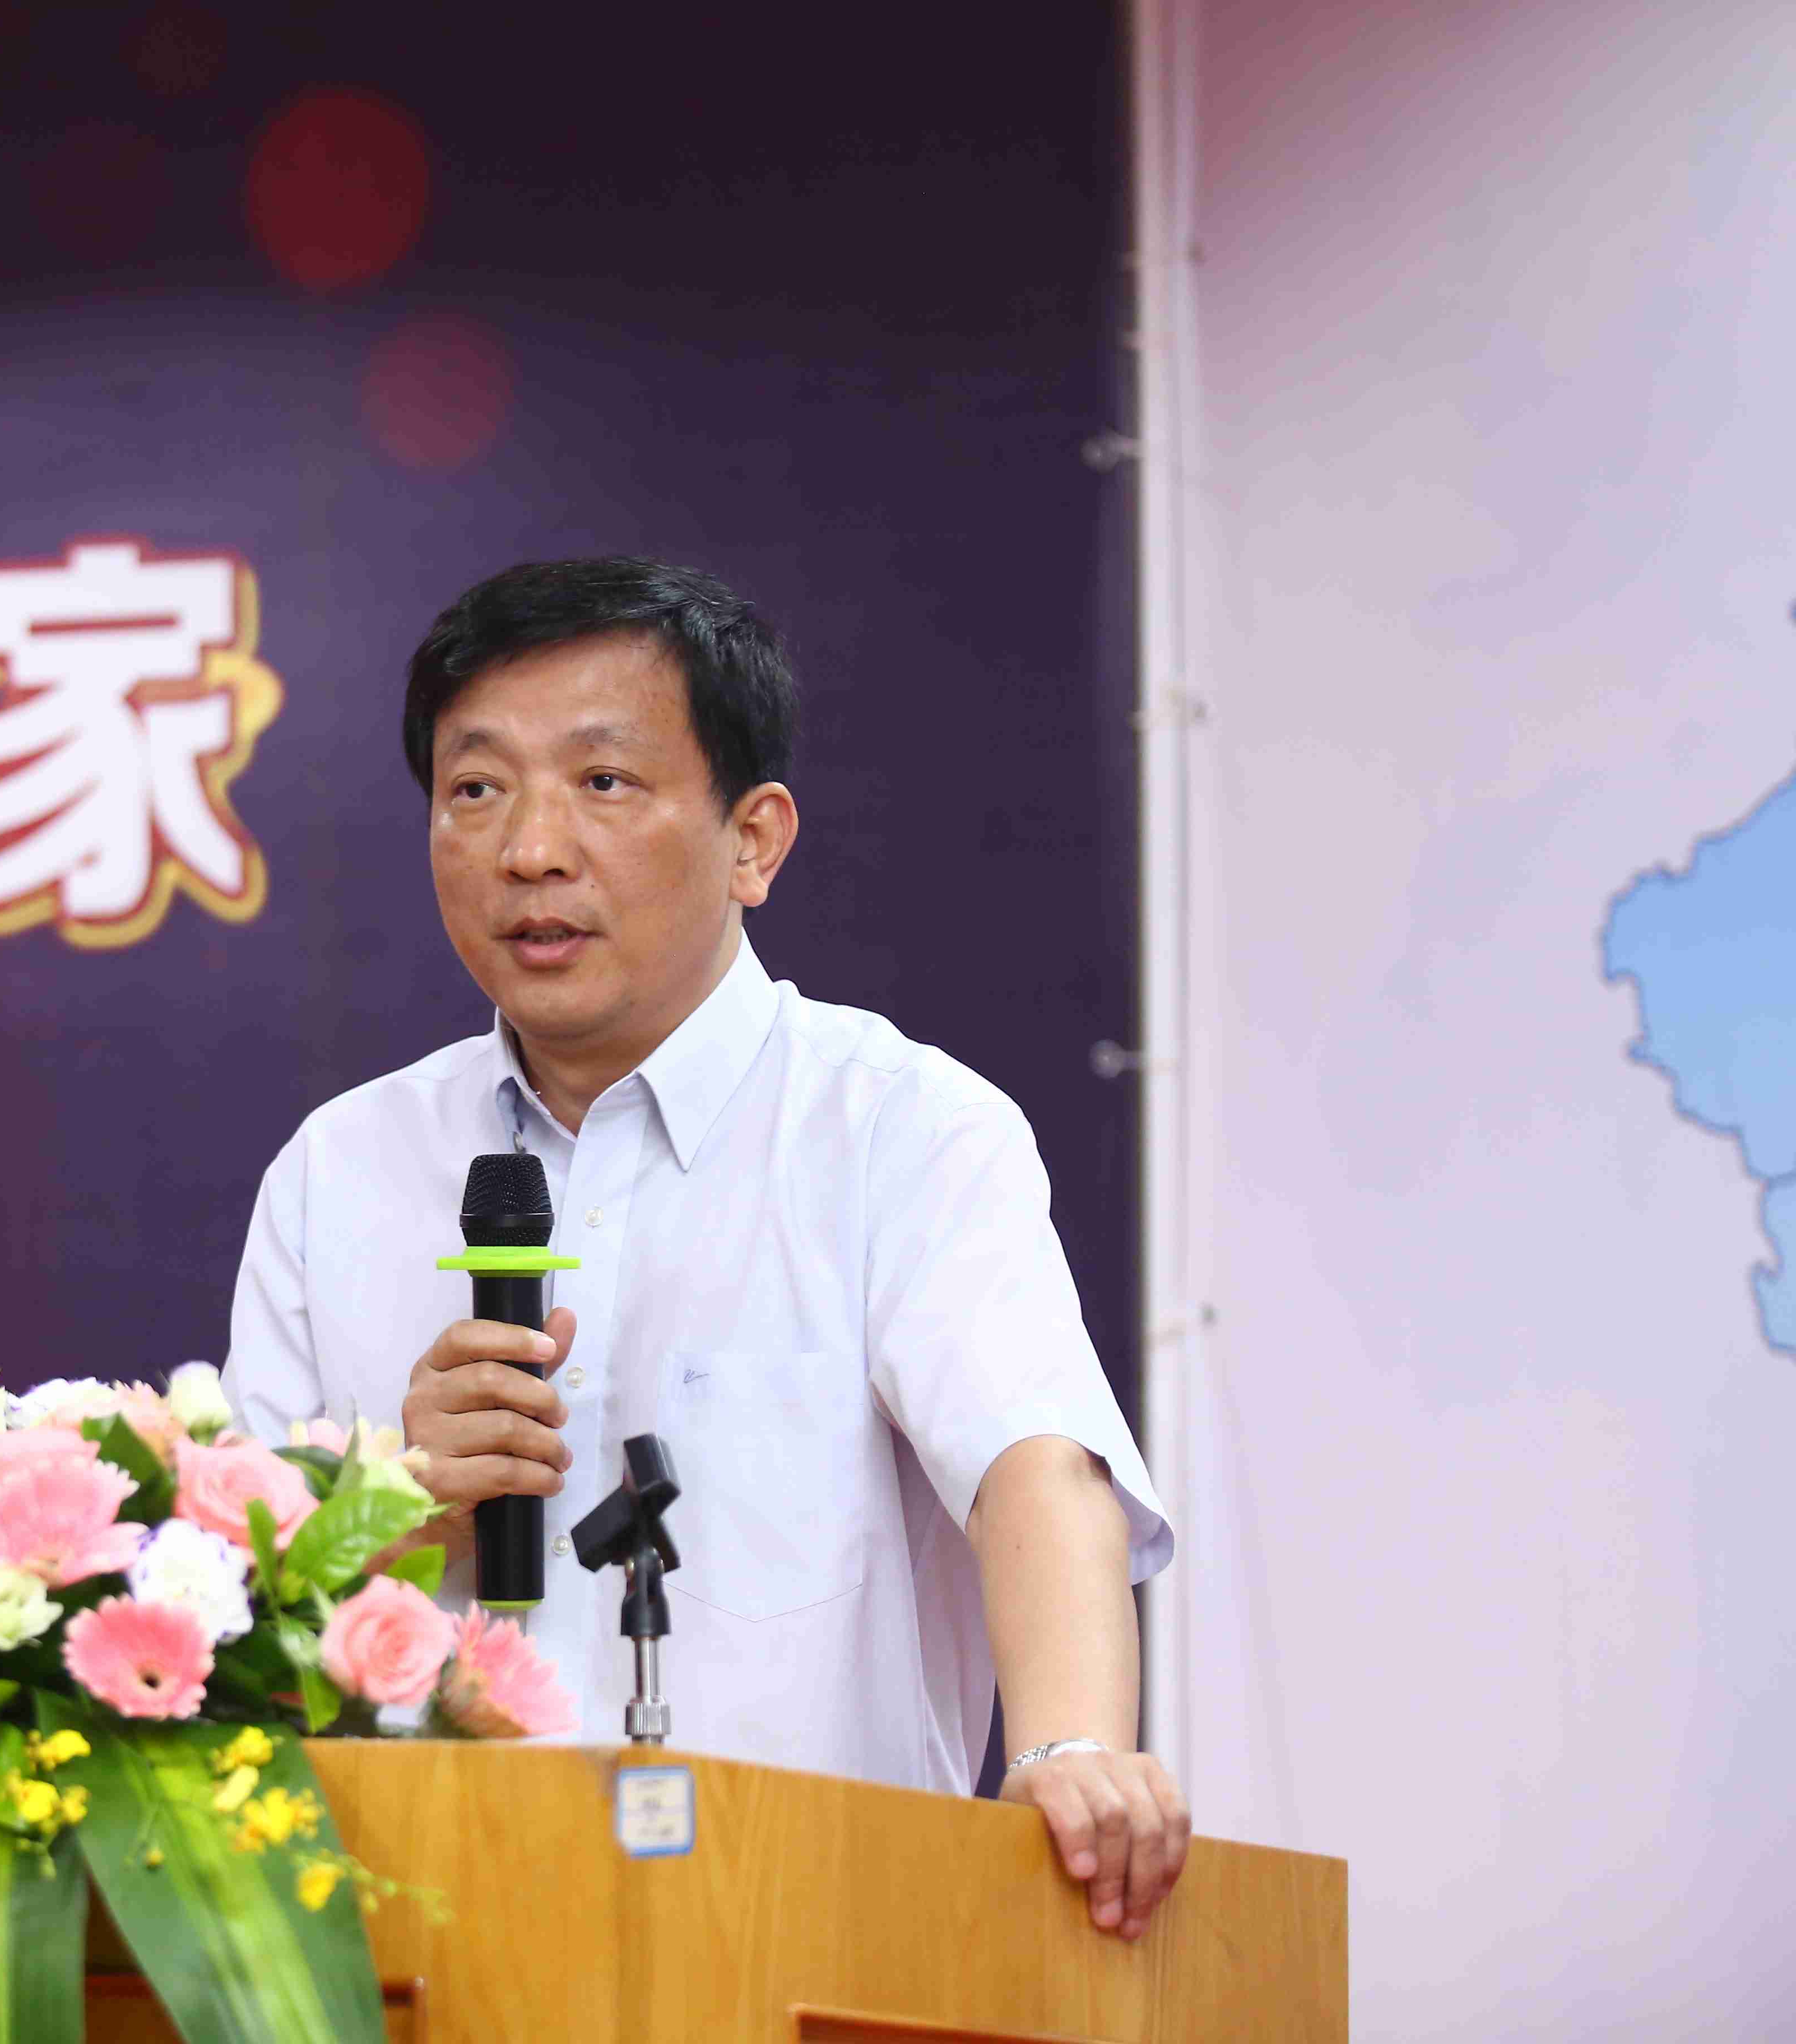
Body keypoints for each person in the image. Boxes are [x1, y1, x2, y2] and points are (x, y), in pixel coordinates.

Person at [221, 557, 1190, 1939]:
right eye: (476, 789)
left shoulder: (898, 1127)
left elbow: (1037, 1466)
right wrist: (391, 1509)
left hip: (806, 1940)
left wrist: (1071, 1749)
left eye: (603, 782)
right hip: (425, 1951)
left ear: (755, 840)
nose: (530, 850)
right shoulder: (341, 1170)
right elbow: (223, 1620)